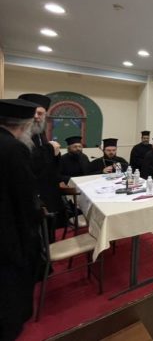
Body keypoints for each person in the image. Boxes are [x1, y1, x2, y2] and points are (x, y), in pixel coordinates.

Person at [0, 99, 44, 341]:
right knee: (10, 281)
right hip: (9, 227)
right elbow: (24, 196)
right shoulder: (14, 148)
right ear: (25, 125)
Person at [18, 93, 66, 224]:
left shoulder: (40, 131)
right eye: (32, 112)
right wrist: (50, 148)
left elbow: (45, 158)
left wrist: (54, 152)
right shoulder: (18, 133)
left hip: (45, 189)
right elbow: (26, 159)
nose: (36, 116)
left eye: (40, 113)